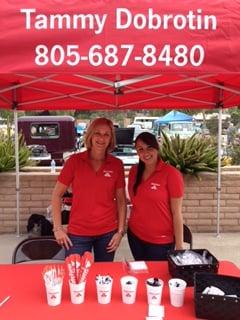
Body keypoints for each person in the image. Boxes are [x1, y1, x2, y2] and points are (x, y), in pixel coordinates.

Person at [51, 117, 127, 262]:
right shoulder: (74, 161)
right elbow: (56, 195)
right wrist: (57, 228)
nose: (101, 138)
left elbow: (122, 201)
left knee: (103, 279)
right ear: (90, 135)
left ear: (111, 139)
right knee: (76, 277)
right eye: (97, 133)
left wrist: (120, 232)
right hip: (78, 233)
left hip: (107, 234)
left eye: (106, 134)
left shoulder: (116, 164)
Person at [127, 132, 184, 261]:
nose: (145, 153)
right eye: (140, 149)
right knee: (142, 274)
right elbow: (136, 201)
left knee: (158, 279)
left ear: (157, 148)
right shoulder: (134, 171)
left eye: (149, 148)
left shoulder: (171, 174)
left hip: (161, 241)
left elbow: (177, 213)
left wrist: (179, 245)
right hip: (135, 235)